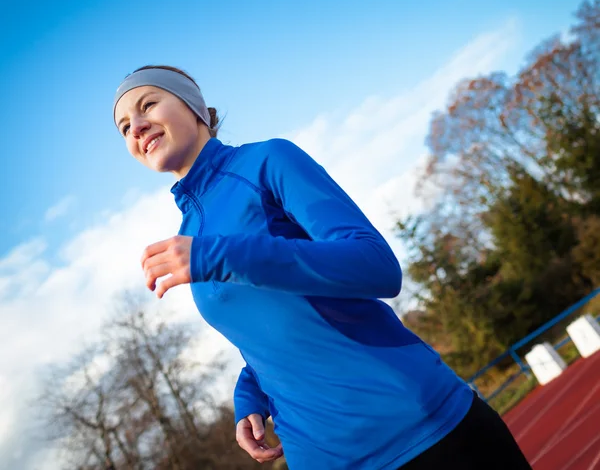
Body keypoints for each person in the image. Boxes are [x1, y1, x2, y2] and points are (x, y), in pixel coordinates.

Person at [113, 65, 532, 470]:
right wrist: (250, 395)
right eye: (124, 126)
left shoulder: (266, 162)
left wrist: (221, 254)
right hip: (319, 457)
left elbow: (377, 265)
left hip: (421, 431)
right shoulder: (190, 232)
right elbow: (275, 327)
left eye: (148, 104)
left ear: (196, 109)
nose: (136, 126)